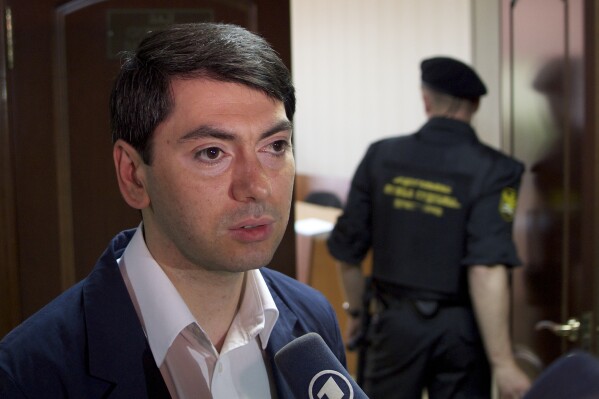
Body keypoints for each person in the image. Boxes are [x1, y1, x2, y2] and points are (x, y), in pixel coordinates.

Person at [0, 23, 345, 398]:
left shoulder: (313, 318)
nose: (258, 186)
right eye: (212, 152)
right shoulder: (28, 373)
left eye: (275, 146)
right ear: (133, 176)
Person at [327, 56, 531, 399]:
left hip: (393, 326)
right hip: (462, 332)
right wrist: (503, 363)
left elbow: (347, 252)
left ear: (426, 100)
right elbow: (486, 266)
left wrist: (357, 313)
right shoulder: (498, 170)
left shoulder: (381, 156)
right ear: (475, 105)